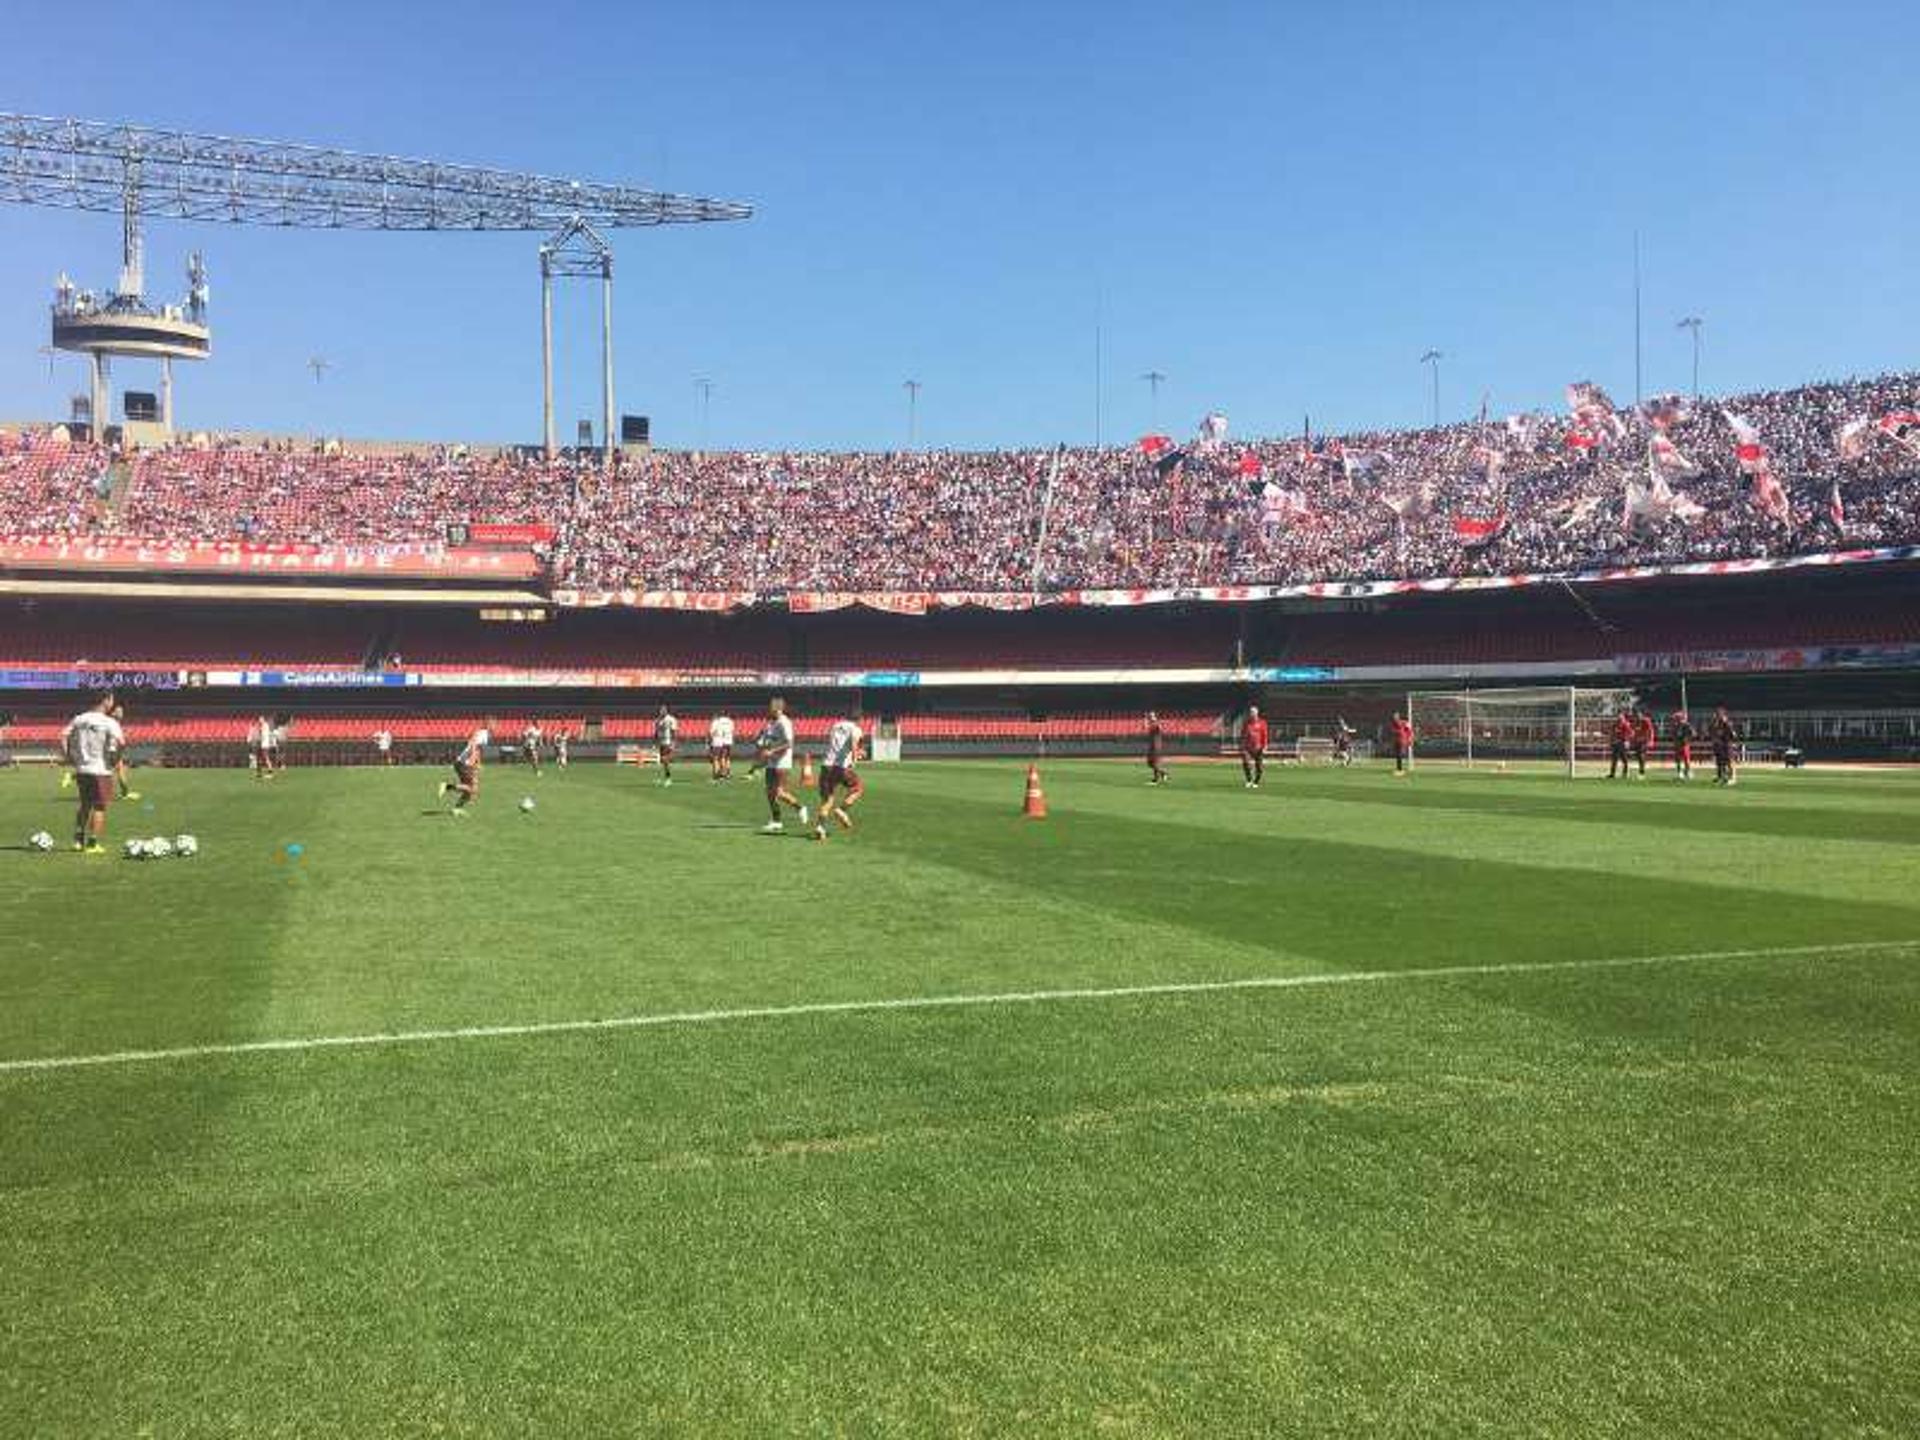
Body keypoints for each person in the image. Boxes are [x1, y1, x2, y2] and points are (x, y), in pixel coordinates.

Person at [62, 692, 124, 855]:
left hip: (82, 769)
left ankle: (77, 840)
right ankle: (92, 844)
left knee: (84, 805)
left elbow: (64, 736)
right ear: (106, 700)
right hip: (101, 770)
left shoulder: (79, 719)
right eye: (111, 699)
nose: (112, 702)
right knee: (99, 807)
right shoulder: (109, 722)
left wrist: (70, 757)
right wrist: (114, 760)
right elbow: (121, 743)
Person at [751, 697, 807, 833]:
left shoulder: (784, 723)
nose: (770, 709)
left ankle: (800, 808)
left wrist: (771, 751)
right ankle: (776, 821)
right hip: (771, 762)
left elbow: (789, 744)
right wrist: (759, 740)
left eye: (772, 707)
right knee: (769, 793)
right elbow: (766, 739)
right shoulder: (771, 723)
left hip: (782, 762)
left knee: (779, 792)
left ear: (779, 708)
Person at [812, 715, 866, 841]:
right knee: (858, 788)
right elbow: (853, 743)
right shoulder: (855, 729)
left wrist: (857, 751)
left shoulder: (835, 726)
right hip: (841, 767)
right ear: (859, 719)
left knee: (827, 801)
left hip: (826, 766)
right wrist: (855, 758)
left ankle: (820, 827)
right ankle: (842, 810)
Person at [439, 718, 492, 815]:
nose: (495, 727)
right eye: (492, 724)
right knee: (472, 789)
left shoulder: (484, 734)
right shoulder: (483, 733)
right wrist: (472, 758)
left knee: (470, 791)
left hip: (464, 763)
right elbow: (473, 743)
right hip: (465, 763)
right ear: (488, 724)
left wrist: (478, 762)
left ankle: (456, 809)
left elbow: (479, 749)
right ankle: (447, 786)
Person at [108, 702, 141, 801]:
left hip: (113, 750)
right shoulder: (112, 723)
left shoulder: (113, 723)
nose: (121, 713)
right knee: (111, 773)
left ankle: (124, 793)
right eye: (119, 711)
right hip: (112, 751)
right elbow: (119, 741)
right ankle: (112, 794)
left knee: (118, 771)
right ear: (113, 713)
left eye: (122, 711)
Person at [1709, 706, 1741, 787]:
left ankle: (1733, 778)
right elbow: (1712, 731)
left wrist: (1732, 741)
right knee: (1720, 761)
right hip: (1720, 745)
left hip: (1727, 744)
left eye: (1718, 714)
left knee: (1730, 761)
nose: (1716, 715)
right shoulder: (1716, 723)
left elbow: (1733, 734)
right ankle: (1722, 776)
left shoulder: (1727, 723)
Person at [1240, 705, 1269, 789]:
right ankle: (1249, 780)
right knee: (1246, 763)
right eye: (1250, 712)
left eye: (1253, 712)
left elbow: (1265, 735)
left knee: (1259, 767)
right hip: (1248, 748)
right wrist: (1242, 746)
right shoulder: (1246, 723)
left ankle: (1256, 782)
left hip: (1259, 748)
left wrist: (1265, 746)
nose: (1251, 714)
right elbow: (1243, 735)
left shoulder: (1262, 723)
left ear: (1257, 713)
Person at [653, 704, 679, 786]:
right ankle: (665, 777)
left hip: (668, 742)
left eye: (663, 710)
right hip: (662, 742)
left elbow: (674, 731)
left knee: (665, 760)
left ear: (666, 711)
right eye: (660, 710)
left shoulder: (671, 719)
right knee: (663, 761)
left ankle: (668, 778)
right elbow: (656, 732)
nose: (661, 711)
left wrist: (673, 743)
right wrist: (655, 742)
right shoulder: (658, 720)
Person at [251, 713, 279, 780]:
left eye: (261, 719)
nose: (260, 720)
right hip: (262, 744)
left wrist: (258, 730)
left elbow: (263, 735)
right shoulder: (262, 726)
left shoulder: (265, 725)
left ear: (263, 719)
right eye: (259, 719)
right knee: (259, 758)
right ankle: (259, 773)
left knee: (266, 758)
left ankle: (270, 773)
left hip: (265, 745)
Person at [1607, 709, 1634, 779]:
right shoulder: (1615, 724)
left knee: (1624, 759)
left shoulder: (1625, 724)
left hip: (1622, 744)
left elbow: (1631, 733)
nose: (1618, 717)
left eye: (1620, 715)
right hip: (1616, 744)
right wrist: (1611, 741)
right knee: (1614, 759)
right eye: (1617, 715)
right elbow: (1612, 733)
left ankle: (1625, 773)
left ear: (1622, 716)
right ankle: (1612, 774)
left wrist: (1626, 740)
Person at [709, 712, 735, 781]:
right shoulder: (730, 721)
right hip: (729, 740)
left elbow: (712, 732)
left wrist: (710, 741)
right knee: (727, 757)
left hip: (718, 741)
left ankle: (718, 774)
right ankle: (727, 773)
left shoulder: (717, 722)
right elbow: (732, 730)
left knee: (716, 758)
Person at [1670, 710, 1695, 782]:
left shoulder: (1686, 725)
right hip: (1678, 744)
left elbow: (1692, 733)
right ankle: (1679, 772)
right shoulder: (1675, 726)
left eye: (1676, 718)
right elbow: (1673, 735)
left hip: (1684, 744)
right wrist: (1675, 741)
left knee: (1686, 759)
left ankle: (1688, 772)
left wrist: (1687, 740)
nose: (1675, 720)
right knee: (1678, 759)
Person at [1632, 708, 1657, 778]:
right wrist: (1634, 738)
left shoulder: (1646, 720)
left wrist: (1651, 740)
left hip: (1644, 741)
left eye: (1638, 714)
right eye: (1635, 715)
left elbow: (1651, 730)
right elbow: (1635, 731)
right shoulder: (1636, 721)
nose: (1637, 716)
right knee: (1638, 755)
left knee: (1641, 754)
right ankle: (1641, 768)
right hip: (1637, 741)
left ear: (1641, 714)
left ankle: (1642, 772)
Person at [1145, 711, 1168, 785]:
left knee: (1154, 763)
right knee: (1150, 763)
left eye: (1151, 716)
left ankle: (1156, 779)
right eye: (1149, 716)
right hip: (1151, 746)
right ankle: (1163, 773)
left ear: (1154, 716)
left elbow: (1160, 729)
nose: (1150, 717)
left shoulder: (1156, 723)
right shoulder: (1151, 724)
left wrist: (1158, 725)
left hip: (1156, 746)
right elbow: (1146, 729)